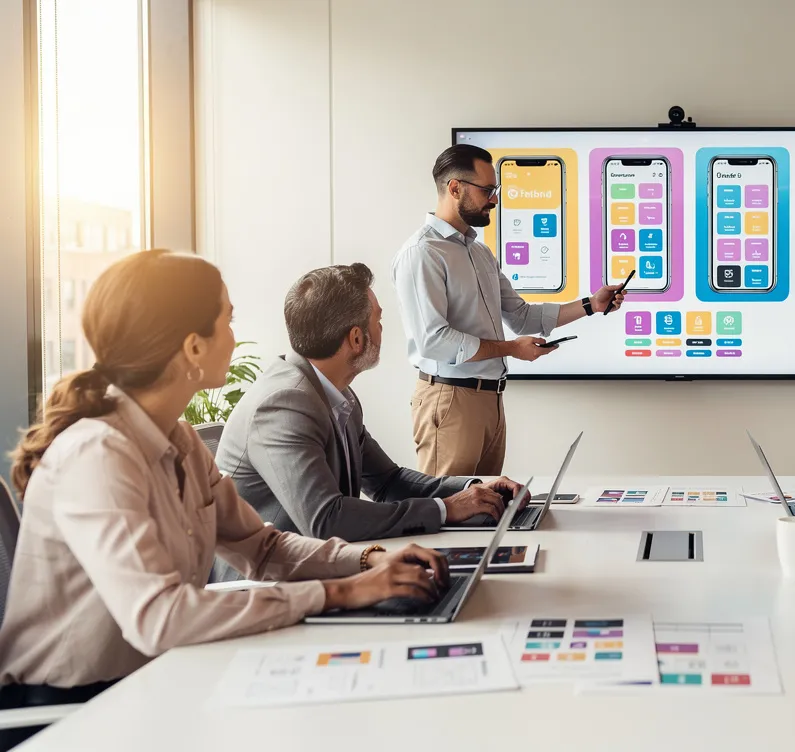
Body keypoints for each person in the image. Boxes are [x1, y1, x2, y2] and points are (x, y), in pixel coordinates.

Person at [0, 251, 451, 748]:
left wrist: (366, 558)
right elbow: (161, 619)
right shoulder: (99, 455)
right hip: (73, 715)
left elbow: (262, 549)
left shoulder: (180, 442)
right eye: (227, 321)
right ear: (193, 347)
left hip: (153, 683)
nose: (236, 337)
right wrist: (343, 591)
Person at [216, 263, 526, 544]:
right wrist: (445, 509)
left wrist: (474, 487)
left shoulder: (336, 395)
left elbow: (388, 481)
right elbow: (326, 520)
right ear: (356, 338)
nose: (381, 329)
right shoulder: (284, 405)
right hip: (269, 589)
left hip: (320, 568)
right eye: (377, 320)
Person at [392, 144, 626, 477]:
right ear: (454, 188)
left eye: (496, 190)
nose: (495, 199)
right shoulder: (423, 253)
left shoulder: (480, 252)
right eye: (487, 190)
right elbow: (434, 340)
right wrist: (510, 349)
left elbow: (521, 315)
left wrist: (592, 304)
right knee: (448, 514)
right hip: (450, 400)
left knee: (486, 512)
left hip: (490, 401)